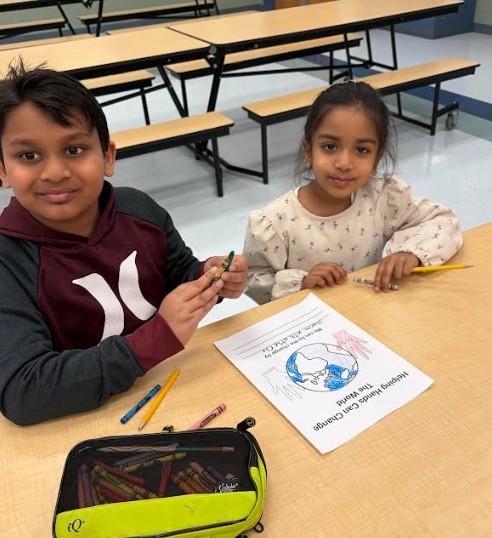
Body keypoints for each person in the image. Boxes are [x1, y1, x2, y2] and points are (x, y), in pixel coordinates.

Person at [0, 62, 248, 426]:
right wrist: (154, 340)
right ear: (3, 170)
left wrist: (210, 278)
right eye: (29, 156)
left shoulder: (138, 208)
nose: (54, 172)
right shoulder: (8, 260)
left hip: (170, 386)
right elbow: (24, 391)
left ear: (108, 157)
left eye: (74, 150)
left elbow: (177, 271)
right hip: (87, 420)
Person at [243, 81, 462, 305]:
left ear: (376, 159)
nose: (344, 163)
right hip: (308, 327)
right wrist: (302, 282)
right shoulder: (274, 222)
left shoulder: (382, 197)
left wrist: (411, 252)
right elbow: (252, 281)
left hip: (367, 313)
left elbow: (443, 220)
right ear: (308, 151)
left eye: (361, 150)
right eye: (330, 146)